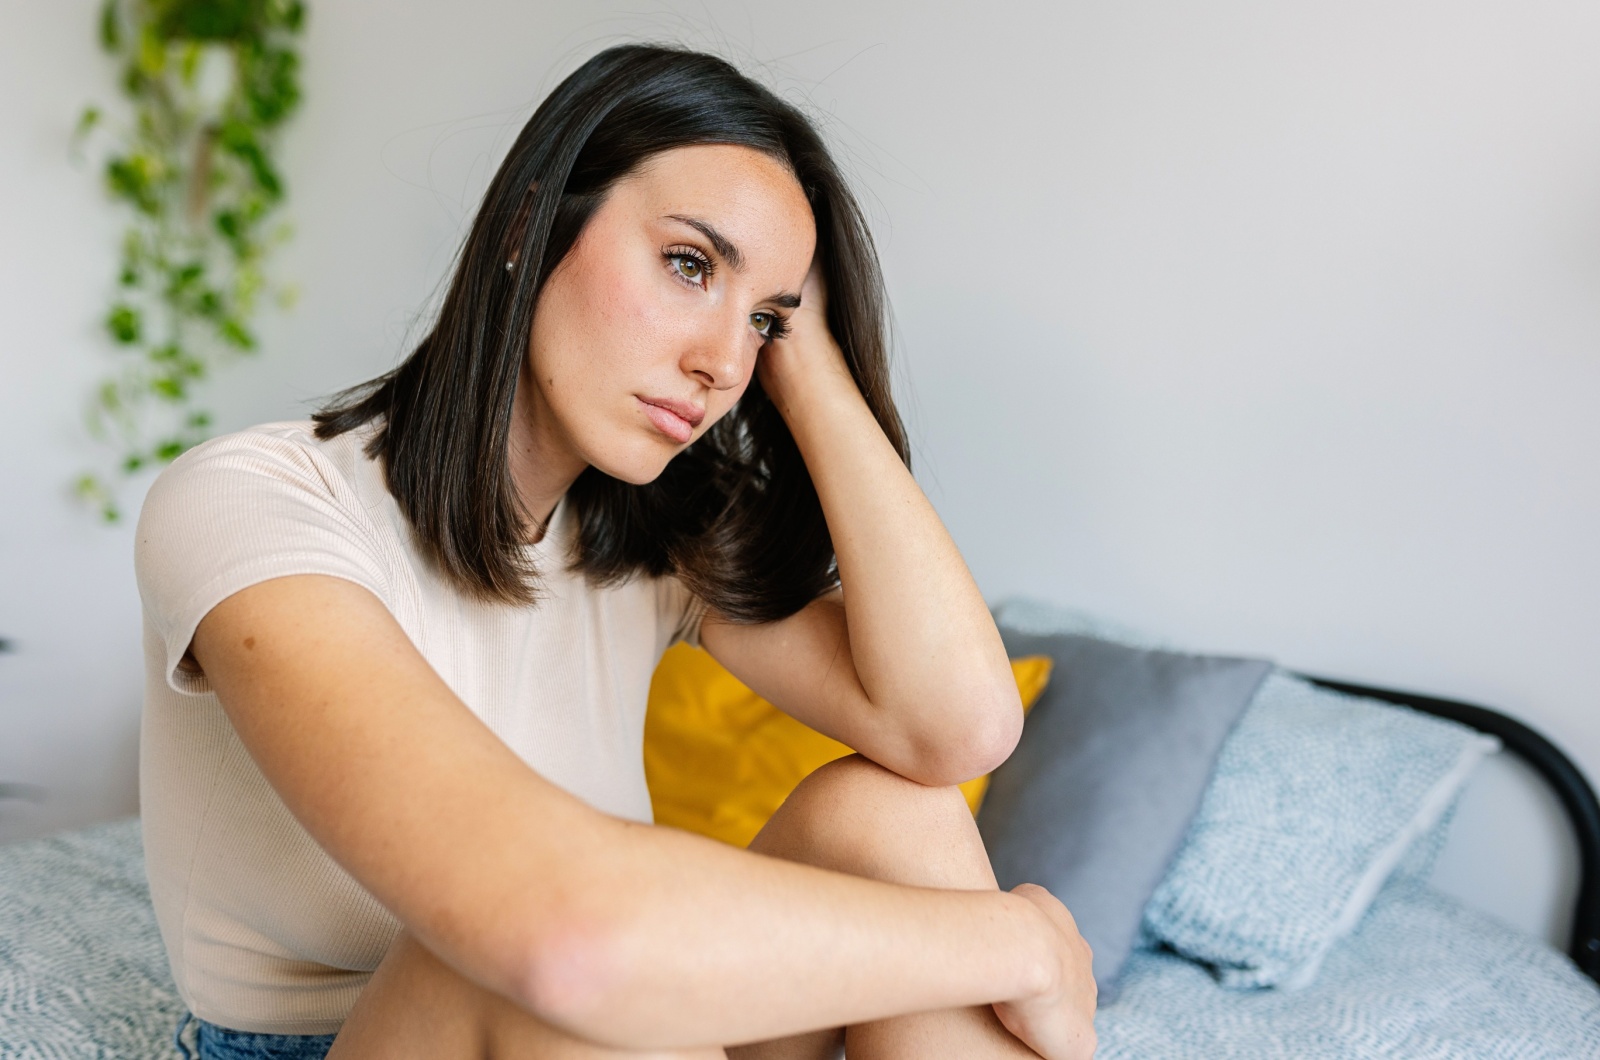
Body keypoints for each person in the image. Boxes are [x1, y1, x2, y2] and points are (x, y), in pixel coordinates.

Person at [135, 44, 1096, 1060]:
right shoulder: (253, 504)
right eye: (690, 265)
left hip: (604, 1020)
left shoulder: (643, 545)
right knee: (522, 954)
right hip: (386, 1032)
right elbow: (562, 940)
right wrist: (1019, 938)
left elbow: (956, 728)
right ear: (527, 229)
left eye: (763, 320)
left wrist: (807, 362)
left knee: (892, 816)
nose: (722, 363)